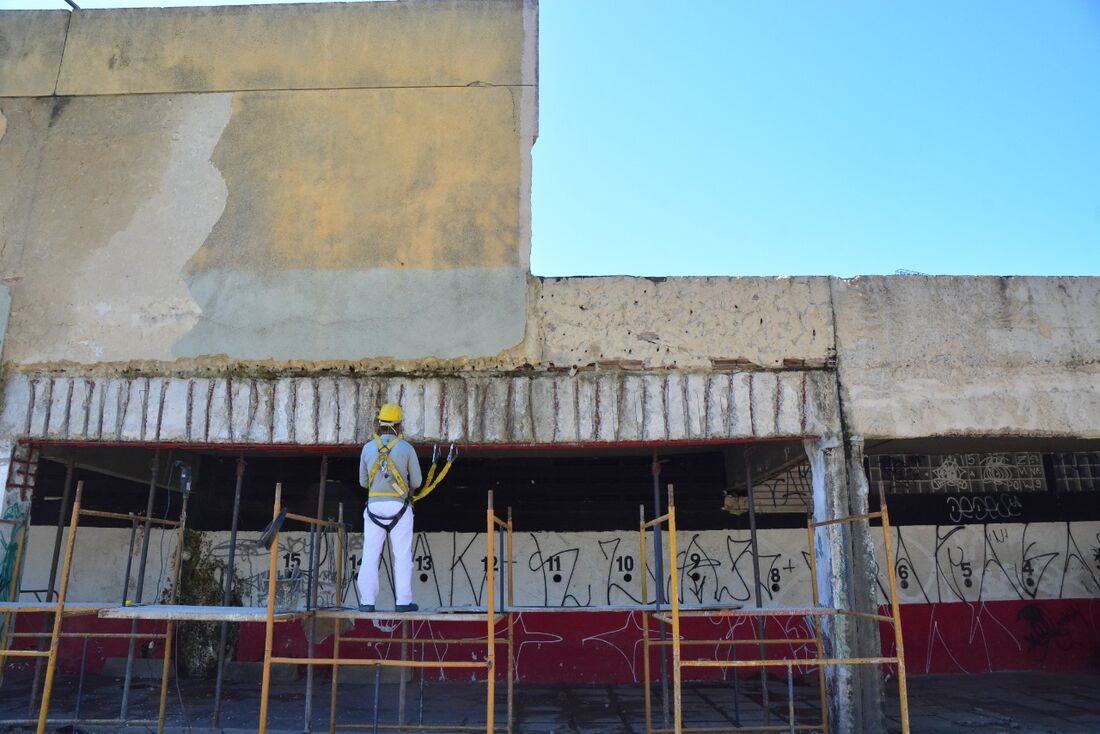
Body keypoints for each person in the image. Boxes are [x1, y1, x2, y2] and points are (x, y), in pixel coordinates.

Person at [357, 403, 422, 613]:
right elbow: (418, 482)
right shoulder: (406, 448)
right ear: (398, 425)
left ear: (380, 423)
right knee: (402, 555)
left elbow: (363, 482)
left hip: (374, 507)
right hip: (399, 507)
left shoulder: (367, 448)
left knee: (370, 554)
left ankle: (367, 602)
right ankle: (403, 602)